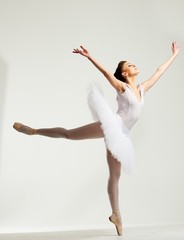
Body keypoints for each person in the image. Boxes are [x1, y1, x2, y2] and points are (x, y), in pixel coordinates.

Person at [13, 42, 179, 236]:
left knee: (115, 177)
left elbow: (159, 71)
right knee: (69, 134)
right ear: (125, 74)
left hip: (122, 136)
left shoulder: (142, 89)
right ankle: (34, 131)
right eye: (130, 65)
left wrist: (174, 55)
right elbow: (107, 74)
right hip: (114, 125)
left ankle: (116, 215)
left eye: (133, 64)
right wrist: (89, 57)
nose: (134, 66)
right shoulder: (122, 87)